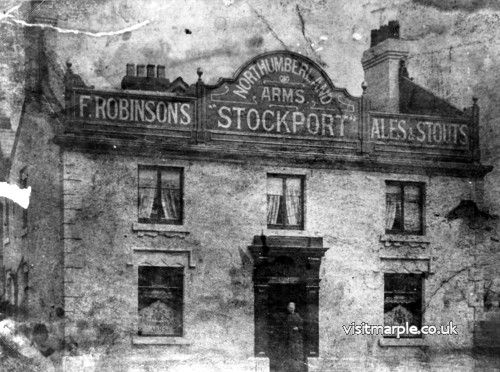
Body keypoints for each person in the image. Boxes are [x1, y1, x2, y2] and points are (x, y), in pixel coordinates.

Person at [282, 302, 305, 372]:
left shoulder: (298, 316)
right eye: (289, 307)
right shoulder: (285, 317)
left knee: (296, 355)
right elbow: (283, 327)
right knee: (289, 355)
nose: (291, 308)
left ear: (294, 308)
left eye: (292, 307)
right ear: (287, 308)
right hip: (288, 339)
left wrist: (298, 328)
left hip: (296, 339)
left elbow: (302, 326)